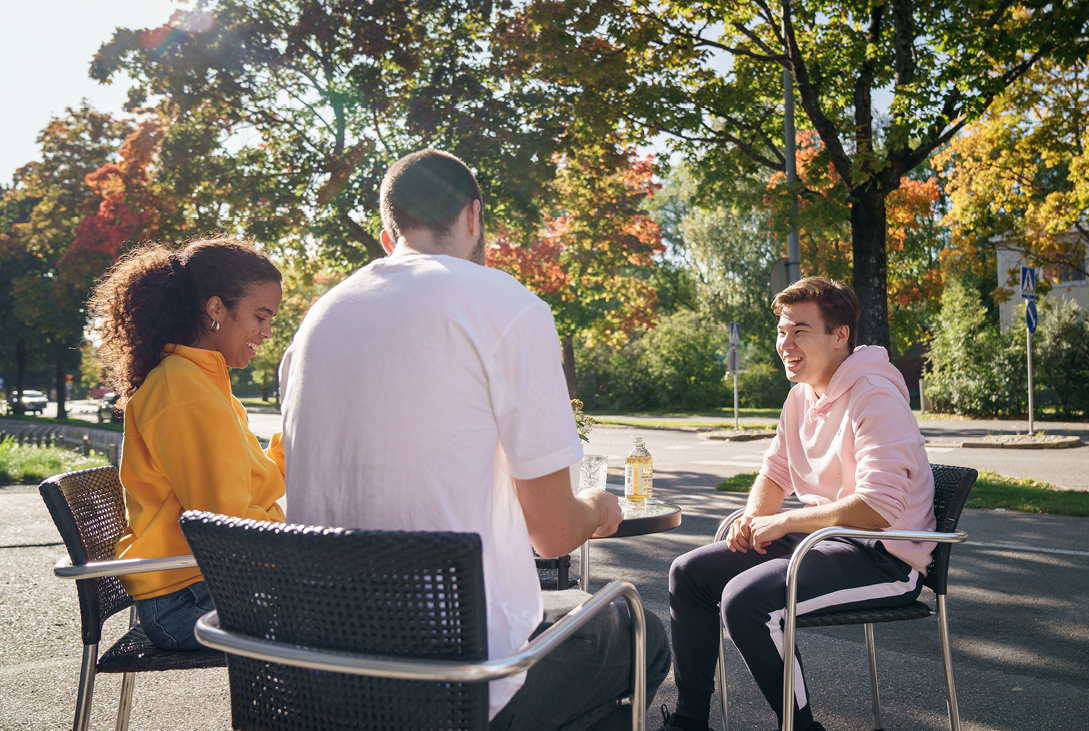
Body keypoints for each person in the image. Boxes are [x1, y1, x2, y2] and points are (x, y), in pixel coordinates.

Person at [278, 149, 670, 730]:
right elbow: (554, 534)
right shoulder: (506, 307)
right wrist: (598, 508)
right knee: (640, 633)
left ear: (389, 236)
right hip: (456, 677)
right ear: (473, 217)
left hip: (323, 669)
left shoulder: (317, 320)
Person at [659, 277, 936, 731]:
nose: (785, 343)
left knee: (746, 602)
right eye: (782, 332)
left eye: (800, 331)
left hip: (883, 556)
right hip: (823, 541)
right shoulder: (801, 397)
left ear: (839, 334)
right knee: (689, 575)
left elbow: (877, 508)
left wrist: (784, 519)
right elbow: (774, 472)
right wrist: (752, 518)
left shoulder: (875, 394)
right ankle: (689, 722)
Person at [89, 238, 286, 651]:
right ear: (216, 309)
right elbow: (228, 527)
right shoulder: (185, 389)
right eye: (261, 316)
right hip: (186, 603)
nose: (267, 332)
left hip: (198, 585)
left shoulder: (203, 381)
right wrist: (297, 537)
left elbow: (253, 487)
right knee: (353, 613)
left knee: (357, 597)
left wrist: (299, 435)